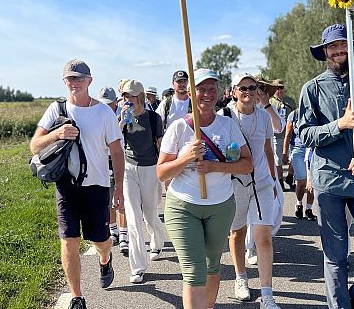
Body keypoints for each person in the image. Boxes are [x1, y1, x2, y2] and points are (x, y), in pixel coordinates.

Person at [298, 24, 354, 309]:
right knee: (335, 254)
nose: (339, 50)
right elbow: (305, 134)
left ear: (351, 49)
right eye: (333, 46)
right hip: (329, 181)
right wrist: (340, 125)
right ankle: (339, 306)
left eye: (343, 45)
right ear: (325, 52)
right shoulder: (312, 89)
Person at [30, 60, 124, 309]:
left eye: (79, 78)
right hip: (66, 186)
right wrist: (57, 134)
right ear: (64, 82)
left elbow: (117, 152)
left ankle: (105, 258)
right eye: (69, 79)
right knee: (69, 240)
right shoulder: (56, 109)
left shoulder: (104, 113)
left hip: (97, 186)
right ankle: (77, 296)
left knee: (100, 240)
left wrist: (121, 189)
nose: (74, 83)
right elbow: (34, 145)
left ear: (89, 81)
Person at [157, 68, 253, 309]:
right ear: (191, 92)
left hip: (220, 207)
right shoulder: (179, 128)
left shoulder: (227, 125)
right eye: (201, 89)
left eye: (212, 89)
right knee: (193, 270)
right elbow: (161, 172)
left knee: (212, 267)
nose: (207, 94)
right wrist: (184, 158)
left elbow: (247, 164)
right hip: (183, 206)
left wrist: (214, 166)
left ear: (219, 92)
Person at [219, 73, 282, 309]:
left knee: (263, 237)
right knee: (237, 233)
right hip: (235, 183)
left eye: (252, 87)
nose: (247, 91)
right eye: (242, 88)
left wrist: (274, 180)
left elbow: (267, 149)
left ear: (258, 91)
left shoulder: (264, 117)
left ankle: (267, 294)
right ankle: (241, 278)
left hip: (262, 183)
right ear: (234, 91)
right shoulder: (224, 117)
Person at [118, 79, 167, 284]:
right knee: (133, 219)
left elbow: (160, 145)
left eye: (130, 95)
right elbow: (115, 142)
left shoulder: (154, 118)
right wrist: (120, 122)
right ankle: (138, 267)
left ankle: (158, 240)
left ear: (140, 96)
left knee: (149, 214)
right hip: (129, 169)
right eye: (124, 96)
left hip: (150, 168)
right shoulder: (123, 117)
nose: (127, 99)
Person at [96, 86, 129, 247]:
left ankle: (123, 233)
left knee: (121, 198)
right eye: (104, 104)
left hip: (121, 161)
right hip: (103, 163)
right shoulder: (96, 118)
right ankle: (113, 230)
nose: (106, 107)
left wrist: (122, 123)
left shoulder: (123, 117)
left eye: (109, 104)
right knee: (107, 201)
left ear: (115, 103)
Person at [282, 108, 316, 221]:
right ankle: (299, 203)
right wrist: (284, 153)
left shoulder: (317, 111)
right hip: (298, 150)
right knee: (302, 181)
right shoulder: (294, 114)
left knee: (312, 183)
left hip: (313, 150)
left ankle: (309, 209)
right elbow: (287, 135)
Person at [269, 79, 295, 191]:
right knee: (278, 160)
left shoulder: (290, 101)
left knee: (293, 159)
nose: (279, 90)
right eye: (277, 88)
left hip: (290, 136)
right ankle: (280, 182)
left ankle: (289, 177)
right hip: (277, 136)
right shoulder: (270, 102)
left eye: (281, 87)